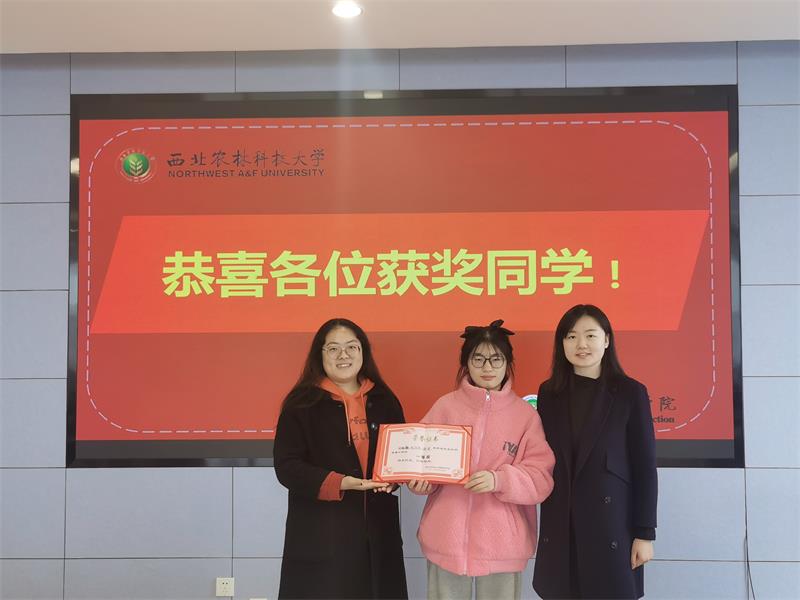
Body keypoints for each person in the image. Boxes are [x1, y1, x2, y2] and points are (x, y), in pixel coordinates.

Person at [408, 319, 555, 600]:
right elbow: (420, 462)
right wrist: (421, 482)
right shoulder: (445, 407)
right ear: (466, 363)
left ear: (507, 363)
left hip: (503, 546)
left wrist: (500, 480)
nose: (488, 367)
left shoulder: (525, 416)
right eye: (478, 359)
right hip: (446, 541)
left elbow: (541, 478)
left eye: (496, 359)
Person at [273, 318, 408, 599]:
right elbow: (287, 467)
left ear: (363, 351)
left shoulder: (385, 400)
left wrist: (395, 480)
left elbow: (401, 456)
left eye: (351, 347)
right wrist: (342, 482)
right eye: (333, 348)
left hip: (377, 531)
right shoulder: (301, 404)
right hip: (321, 531)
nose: (343, 355)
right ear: (319, 355)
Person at [532, 304, 658, 599]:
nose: (581, 344)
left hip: (611, 525)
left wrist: (645, 533)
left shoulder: (630, 392)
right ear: (561, 343)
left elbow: (644, 468)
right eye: (571, 336)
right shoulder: (549, 393)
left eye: (590, 335)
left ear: (606, 340)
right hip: (562, 523)